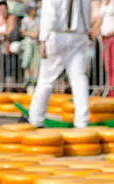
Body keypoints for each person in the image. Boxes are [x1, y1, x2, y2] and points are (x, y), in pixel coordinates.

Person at [29, 0, 91, 128]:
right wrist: (86, 30)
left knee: (46, 80)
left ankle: (36, 118)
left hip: (56, 35)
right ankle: (82, 121)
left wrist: (43, 39)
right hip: (78, 34)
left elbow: (49, 14)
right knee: (79, 78)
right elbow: (87, 10)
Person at [20, 2, 40, 91]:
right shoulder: (25, 20)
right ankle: (27, 78)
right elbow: (22, 31)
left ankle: (35, 79)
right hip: (28, 43)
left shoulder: (39, 19)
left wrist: (29, 33)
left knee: (36, 62)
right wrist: (31, 34)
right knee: (27, 60)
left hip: (36, 44)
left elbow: (37, 33)